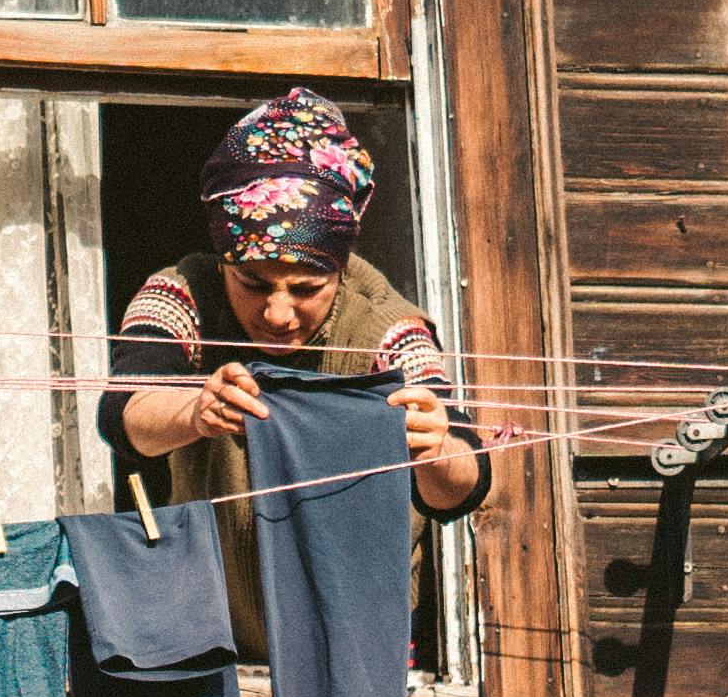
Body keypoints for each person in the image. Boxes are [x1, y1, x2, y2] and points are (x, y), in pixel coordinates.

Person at [95, 88, 488, 658]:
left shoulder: (388, 327)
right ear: (224, 259)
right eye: (253, 285)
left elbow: (465, 486)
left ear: (341, 265)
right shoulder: (181, 295)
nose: (279, 315)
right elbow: (121, 415)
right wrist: (194, 412)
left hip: (352, 647)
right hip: (210, 638)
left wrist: (436, 449)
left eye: (307, 290)